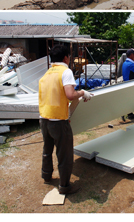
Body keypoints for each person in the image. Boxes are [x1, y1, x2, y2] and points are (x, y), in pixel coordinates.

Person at [38, 44, 93, 195]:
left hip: (44, 119)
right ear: (65, 58)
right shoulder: (65, 71)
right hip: (58, 122)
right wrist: (82, 93)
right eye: (69, 57)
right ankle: (64, 186)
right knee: (65, 154)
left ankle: (46, 175)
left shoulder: (47, 73)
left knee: (47, 149)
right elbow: (70, 94)